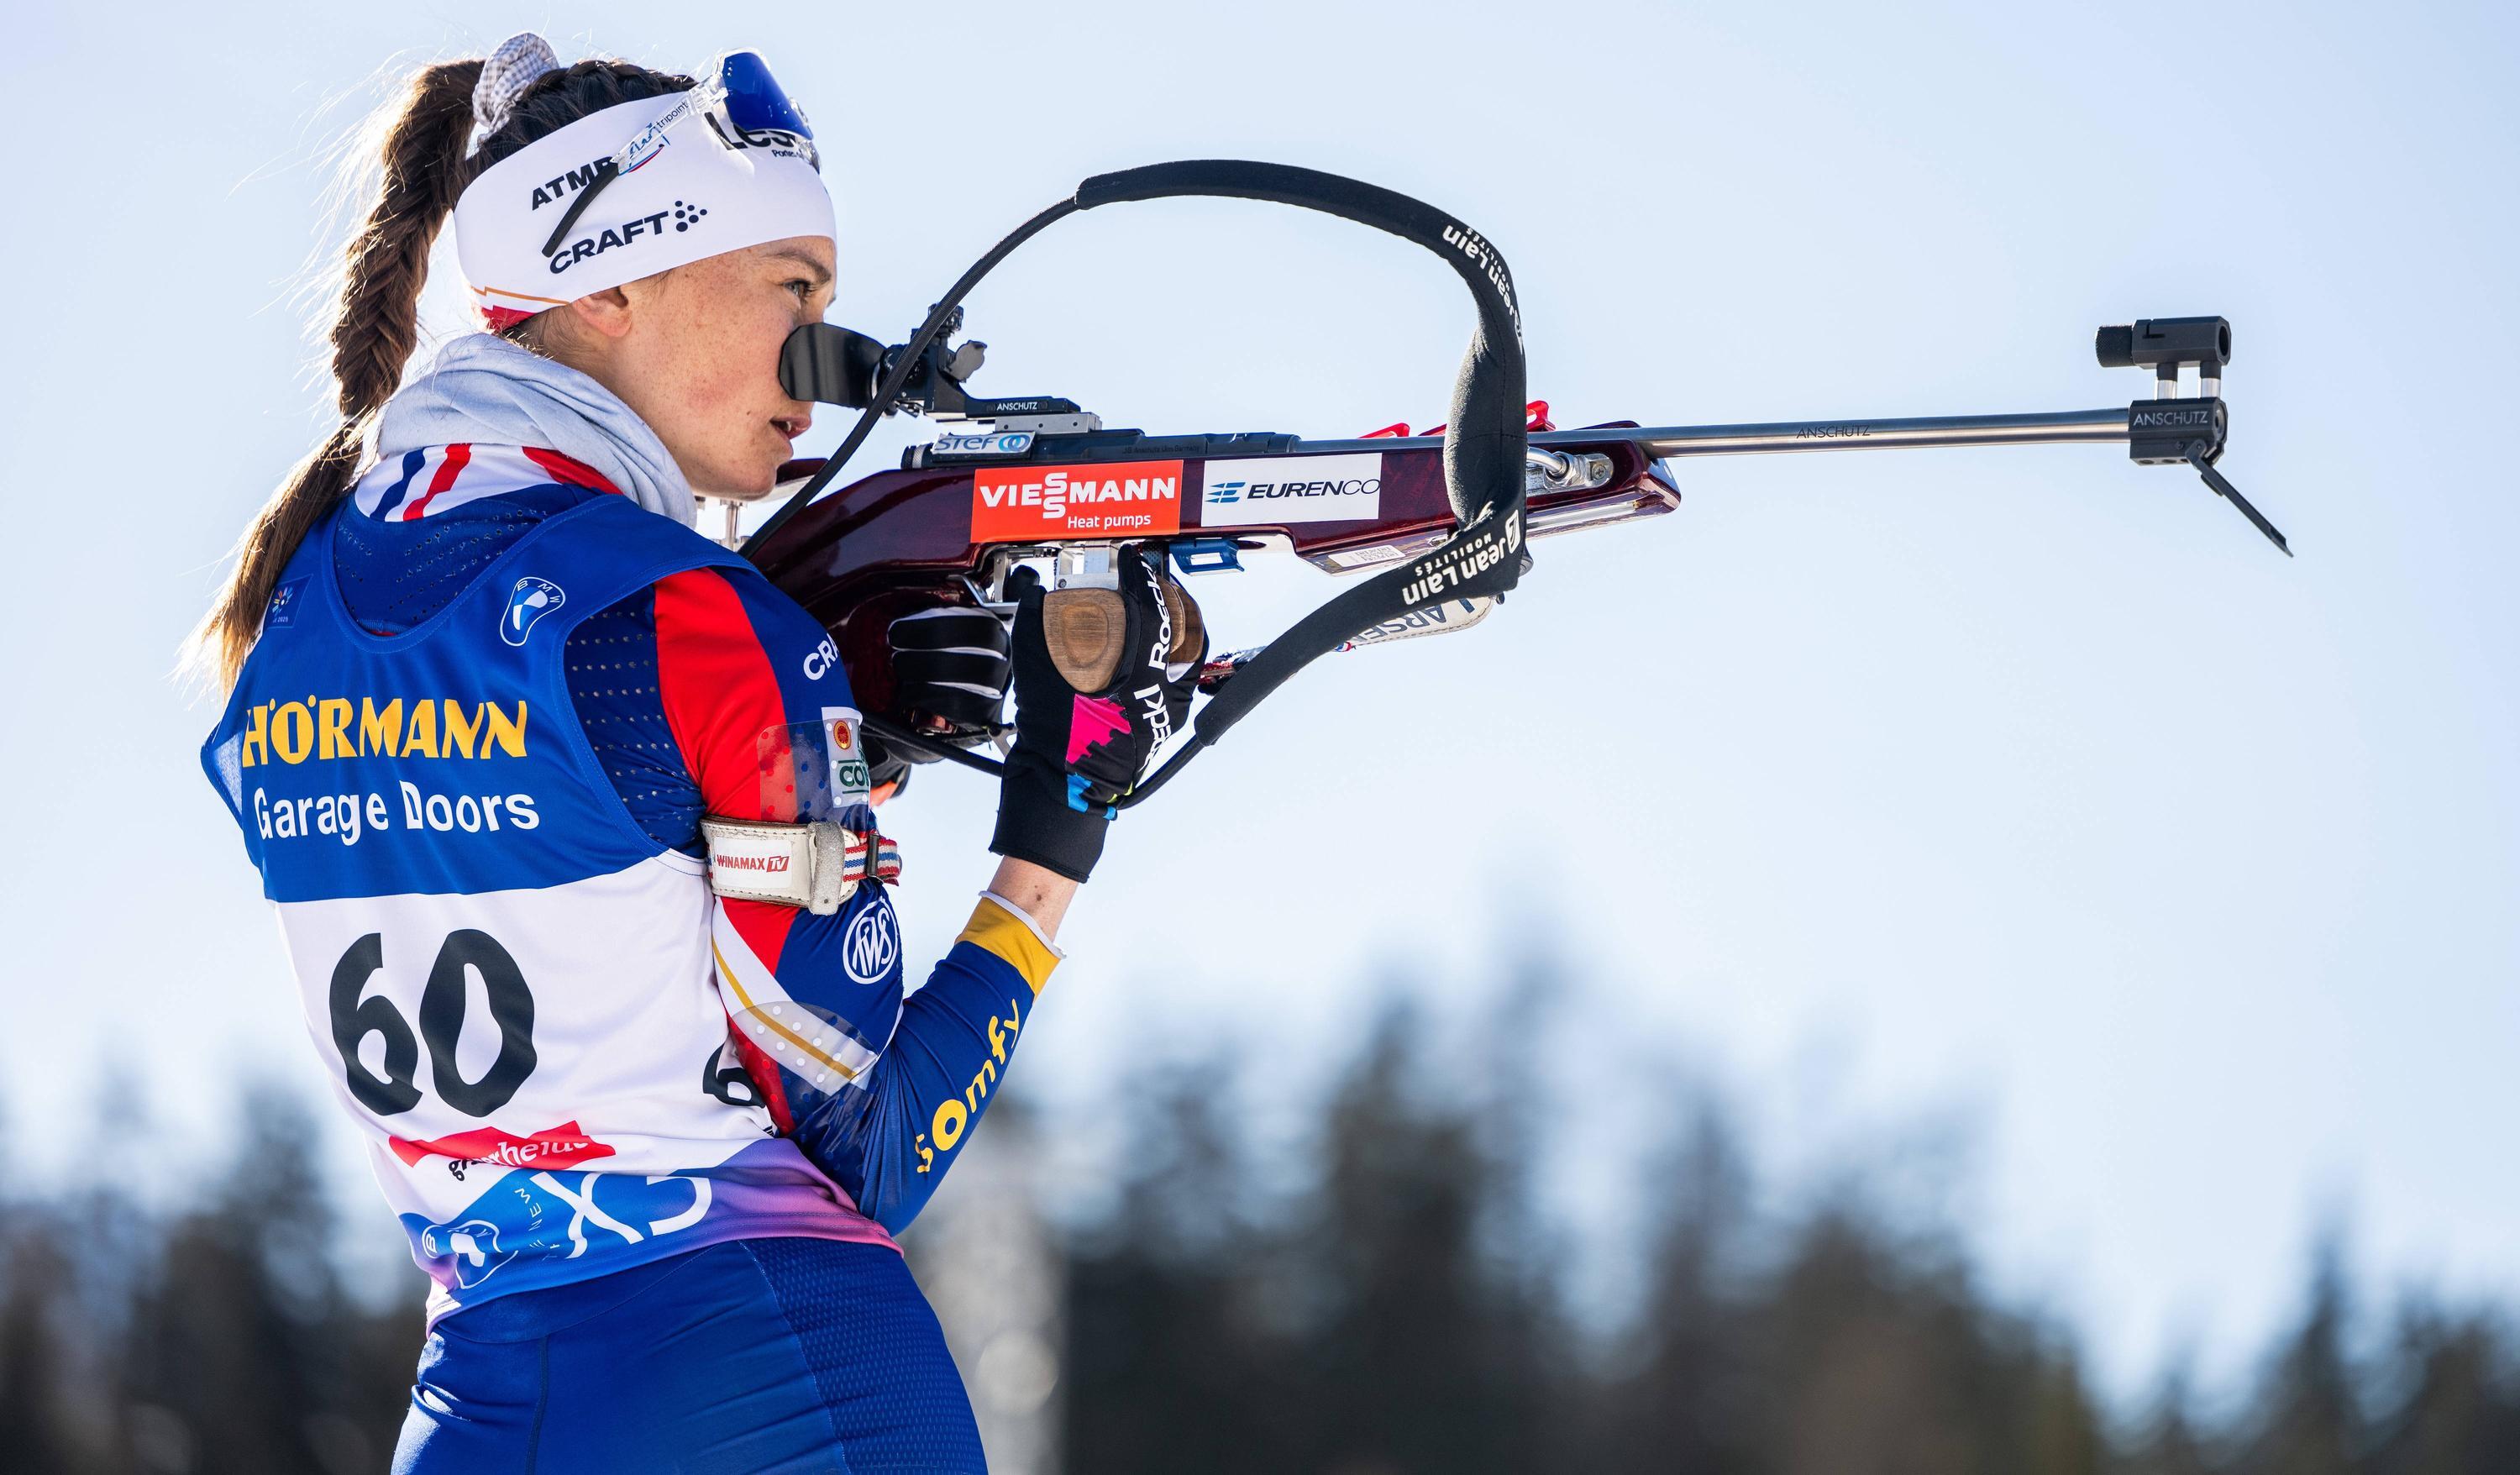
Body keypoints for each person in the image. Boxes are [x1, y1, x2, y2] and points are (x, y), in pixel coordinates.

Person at [191, 35, 1200, 1473]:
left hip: (486, 1390)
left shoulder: (286, 620)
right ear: (609, 285)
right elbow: (872, 1147)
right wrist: (1061, 812)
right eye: (792, 288)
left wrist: (846, 742)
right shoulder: (701, 623)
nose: (821, 364)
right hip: (781, 1379)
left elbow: (578, 831)